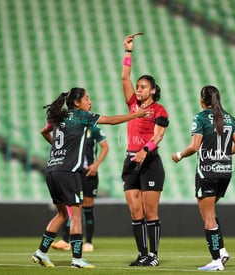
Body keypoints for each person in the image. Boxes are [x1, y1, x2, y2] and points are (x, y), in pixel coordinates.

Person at [32, 87, 150, 268]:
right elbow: (111, 120)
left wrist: (59, 149)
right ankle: (77, 259)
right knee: (76, 216)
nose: (90, 101)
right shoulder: (81, 116)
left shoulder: (58, 117)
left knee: (62, 214)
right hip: (69, 172)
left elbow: (44, 131)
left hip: (52, 170)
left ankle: (41, 253)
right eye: (87, 98)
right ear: (77, 103)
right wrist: (136, 115)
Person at [171, 85, 235, 271]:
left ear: (202, 99)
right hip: (225, 171)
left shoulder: (201, 117)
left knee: (208, 216)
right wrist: (222, 155)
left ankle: (216, 260)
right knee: (208, 212)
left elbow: (194, 147)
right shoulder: (229, 117)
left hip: (207, 171)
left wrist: (179, 155)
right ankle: (222, 251)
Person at [121, 34, 169, 266]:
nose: (138, 89)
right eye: (137, 86)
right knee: (134, 212)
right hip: (130, 161)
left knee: (151, 212)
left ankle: (154, 256)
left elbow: (159, 135)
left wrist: (145, 150)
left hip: (150, 163)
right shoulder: (132, 105)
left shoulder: (159, 109)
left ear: (152, 91)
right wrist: (128, 52)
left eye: (143, 87)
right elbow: (124, 77)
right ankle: (142, 254)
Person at [50, 124, 109, 252]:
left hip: (88, 173)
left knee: (87, 207)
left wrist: (96, 165)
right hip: (73, 172)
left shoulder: (93, 129)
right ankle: (65, 240)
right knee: (70, 206)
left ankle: (88, 242)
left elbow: (105, 147)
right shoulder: (71, 128)